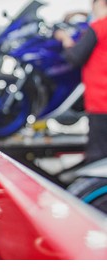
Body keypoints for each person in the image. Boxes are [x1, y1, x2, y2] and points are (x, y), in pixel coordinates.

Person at [55, 0, 107, 164]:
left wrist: (65, 39)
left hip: (102, 101)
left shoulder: (99, 27)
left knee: (98, 156)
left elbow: (75, 57)